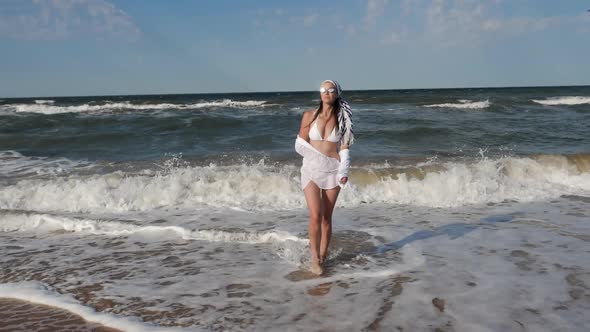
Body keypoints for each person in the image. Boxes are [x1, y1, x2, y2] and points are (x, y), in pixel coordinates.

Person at [295, 80, 354, 275]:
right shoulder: (308, 116)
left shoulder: (344, 120)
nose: (326, 92)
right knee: (315, 215)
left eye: (331, 90)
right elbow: (299, 144)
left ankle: (323, 255)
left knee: (326, 219)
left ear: (337, 93)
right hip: (311, 170)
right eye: (323, 89)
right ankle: (315, 260)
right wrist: (317, 157)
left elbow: (344, 149)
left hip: (333, 172)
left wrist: (343, 172)